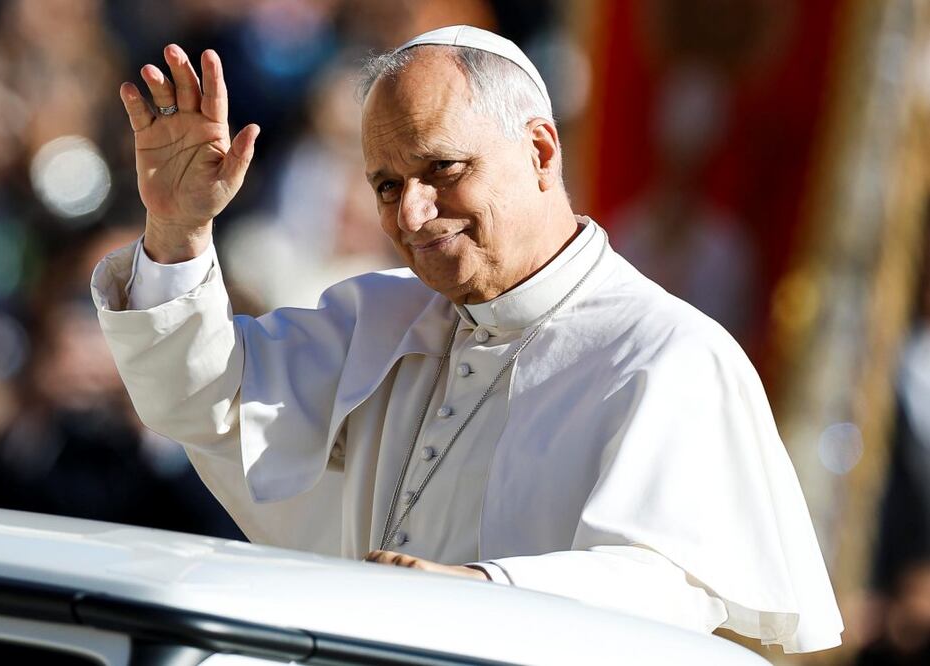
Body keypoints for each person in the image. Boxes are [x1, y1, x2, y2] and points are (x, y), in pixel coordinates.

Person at [92, 25, 843, 653]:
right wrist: (177, 230)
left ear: (541, 152)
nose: (413, 213)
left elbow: (677, 593)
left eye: (441, 169)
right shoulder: (373, 316)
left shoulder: (667, 354)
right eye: (386, 185)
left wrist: (484, 593)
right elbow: (201, 401)